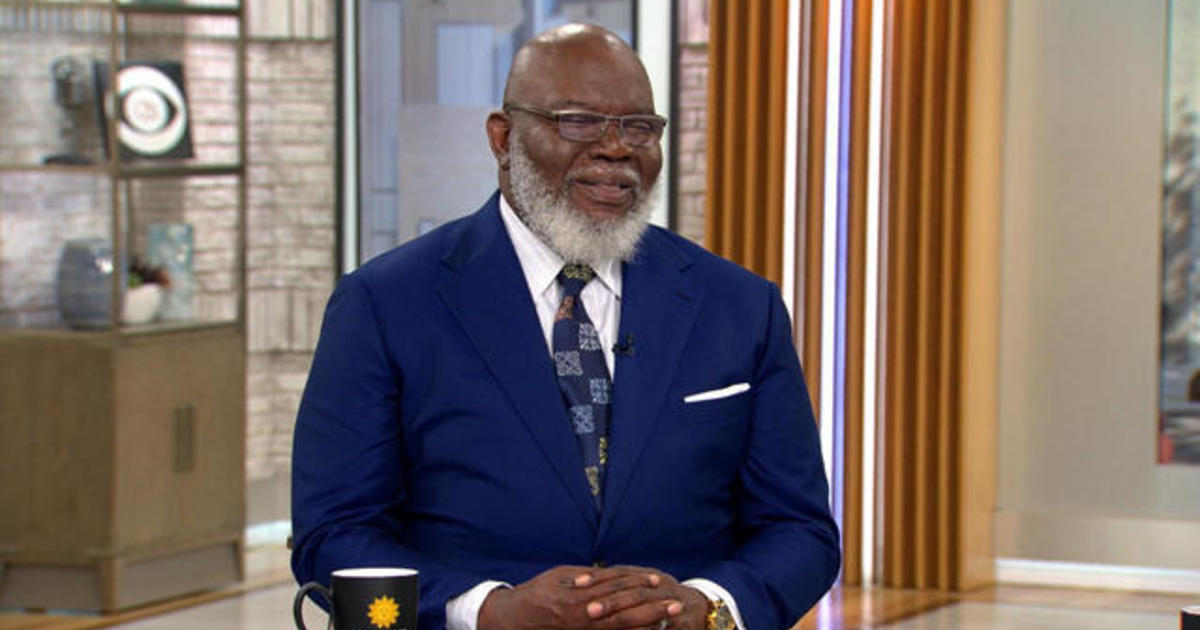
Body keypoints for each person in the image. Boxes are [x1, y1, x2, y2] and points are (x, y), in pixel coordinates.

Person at [291, 23, 840, 630]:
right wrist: (488, 610)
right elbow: (334, 534)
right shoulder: (384, 305)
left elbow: (801, 530)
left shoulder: (740, 306)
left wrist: (709, 606)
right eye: (578, 121)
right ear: (503, 138)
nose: (616, 149)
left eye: (639, 127)